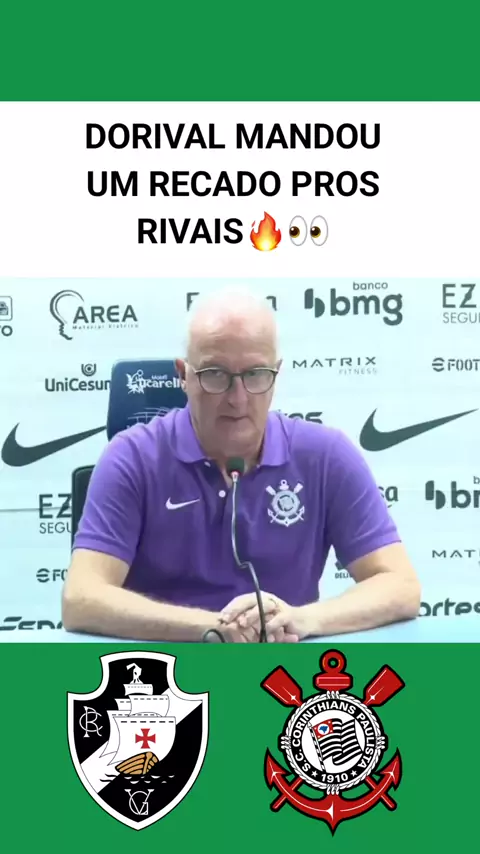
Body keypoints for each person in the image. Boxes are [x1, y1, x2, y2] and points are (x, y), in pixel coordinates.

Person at [62, 287, 420, 642]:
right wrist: (214, 629)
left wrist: (302, 619)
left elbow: (400, 586)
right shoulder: (132, 457)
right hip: (167, 664)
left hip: (283, 664)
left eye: (255, 374)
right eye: (215, 374)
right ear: (183, 375)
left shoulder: (326, 456)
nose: (238, 398)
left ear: (276, 375)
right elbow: (81, 599)